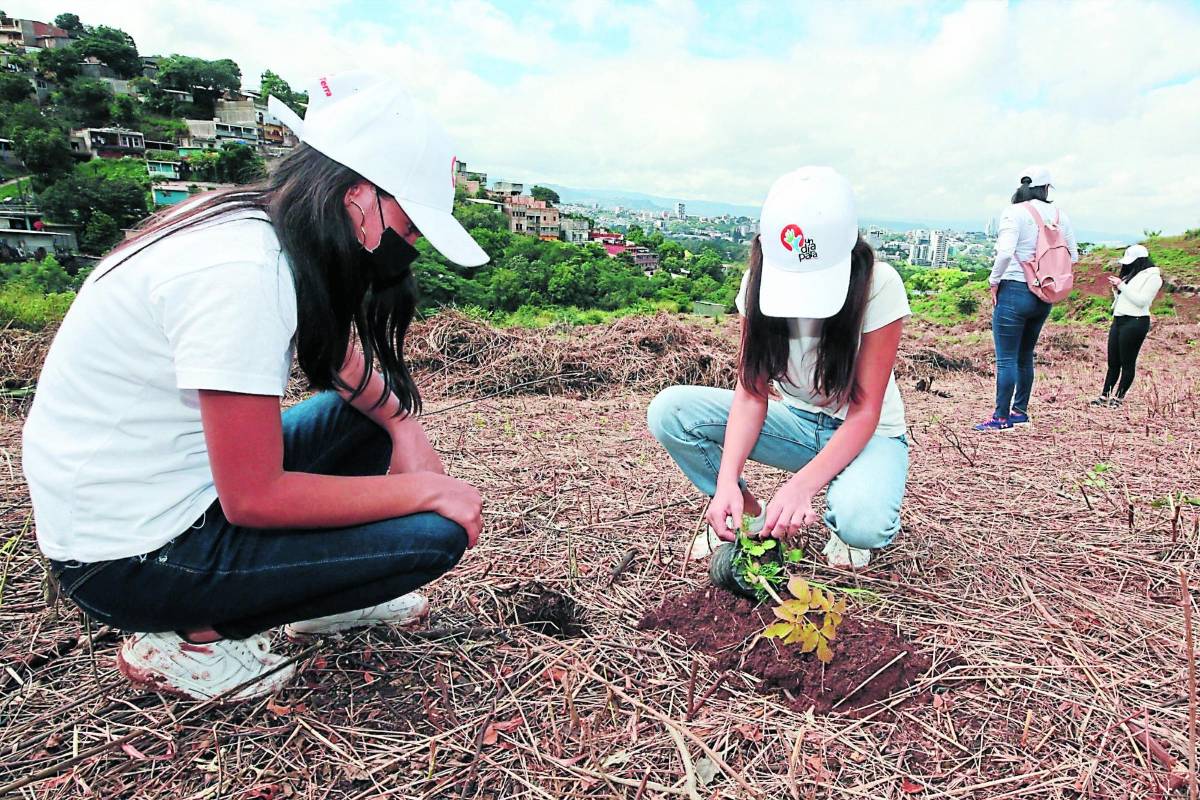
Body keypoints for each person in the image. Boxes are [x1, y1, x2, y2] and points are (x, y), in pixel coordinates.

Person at [22, 71, 488, 701]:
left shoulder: (254, 225)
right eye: (408, 229)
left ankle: (312, 596)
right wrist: (423, 491)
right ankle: (188, 637)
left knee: (366, 415)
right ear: (359, 200)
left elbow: (341, 362)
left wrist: (403, 424)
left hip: (168, 492)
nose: (409, 249)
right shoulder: (244, 275)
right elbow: (255, 498)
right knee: (436, 531)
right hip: (130, 557)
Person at [648, 167, 911, 570]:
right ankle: (749, 515)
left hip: (869, 435)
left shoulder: (879, 285)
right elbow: (751, 393)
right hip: (799, 426)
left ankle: (846, 513)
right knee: (671, 411)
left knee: (863, 524)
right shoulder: (757, 282)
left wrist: (801, 486)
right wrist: (726, 485)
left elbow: (865, 411)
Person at [974, 166, 1078, 431]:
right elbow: (1073, 256)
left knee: (1006, 358)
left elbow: (1006, 252)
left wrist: (993, 280)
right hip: (1043, 294)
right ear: (1046, 189)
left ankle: (1000, 418)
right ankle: (1020, 411)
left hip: (1014, 290)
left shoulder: (1014, 212)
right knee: (1024, 356)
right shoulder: (1060, 216)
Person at [1091, 244, 1163, 407]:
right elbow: (1123, 298)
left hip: (1136, 321)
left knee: (1127, 362)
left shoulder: (1153, 277)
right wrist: (1117, 289)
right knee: (1113, 361)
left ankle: (1118, 398)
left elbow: (1142, 301)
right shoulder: (1132, 275)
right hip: (1119, 320)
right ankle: (1105, 396)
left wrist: (1122, 285)